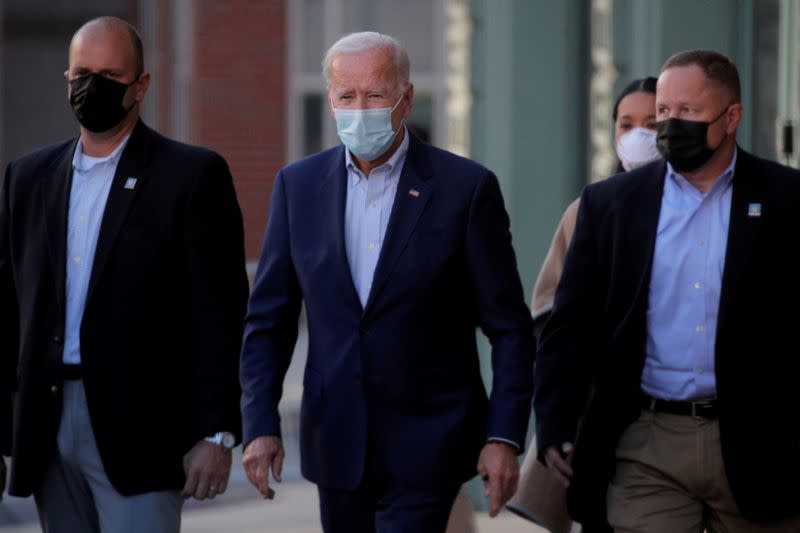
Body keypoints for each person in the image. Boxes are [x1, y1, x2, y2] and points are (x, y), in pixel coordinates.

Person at [239, 31, 535, 532]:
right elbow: (269, 320)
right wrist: (260, 425)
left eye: (375, 95)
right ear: (330, 100)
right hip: (336, 442)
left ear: (406, 98)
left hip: (432, 442)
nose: (360, 109)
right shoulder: (299, 186)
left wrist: (503, 436)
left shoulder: (465, 189)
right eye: (346, 96)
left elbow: (509, 327)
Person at [534, 49, 800, 531]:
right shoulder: (611, 205)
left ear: (732, 116)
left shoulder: (786, 199)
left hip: (759, 441)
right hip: (647, 441)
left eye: (689, 112)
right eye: (664, 112)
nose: (670, 125)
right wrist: (554, 421)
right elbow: (569, 323)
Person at [0, 17, 248, 532]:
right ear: (67, 79)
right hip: (45, 423)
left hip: (143, 429)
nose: (94, 86)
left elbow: (220, 315)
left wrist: (218, 431)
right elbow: (8, 303)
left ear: (141, 85)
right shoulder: (28, 178)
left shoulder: (191, 176)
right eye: (83, 72)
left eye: (110, 74)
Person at [508, 77, 659, 533]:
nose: (638, 135)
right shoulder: (590, 209)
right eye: (626, 123)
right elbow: (550, 312)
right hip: (602, 411)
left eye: (653, 122)